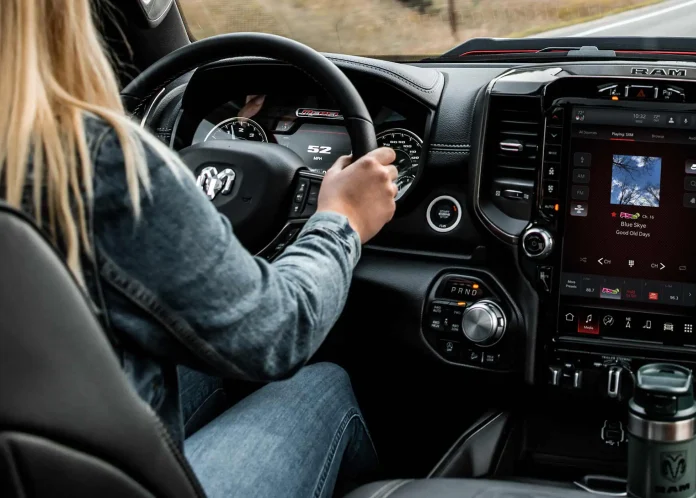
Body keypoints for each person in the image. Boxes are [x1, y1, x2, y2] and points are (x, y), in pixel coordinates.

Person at [1, 1, 398, 497]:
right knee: (321, 383)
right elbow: (279, 330)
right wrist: (342, 219)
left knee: (200, 360)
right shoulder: (95, 162)